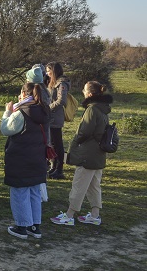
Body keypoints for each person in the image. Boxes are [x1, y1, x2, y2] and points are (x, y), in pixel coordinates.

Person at [51, 81, 113, 227]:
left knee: (79, 184)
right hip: (98, 154)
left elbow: (84, 131)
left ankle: (69, 215)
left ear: (90, 94)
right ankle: (95, 215)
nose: (83, 92)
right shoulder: (103, 109)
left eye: (84, 90)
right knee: (94, 185)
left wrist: (75, 141)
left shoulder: (92, 110)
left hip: (88, 154)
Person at [1, 82, 51, 239]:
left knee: (19, 191)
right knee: (34, 191)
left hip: (20, 158)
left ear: (24, 94)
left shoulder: (21, 113)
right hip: (38, 158)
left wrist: (7, 113)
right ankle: (35, 226)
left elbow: (5, 129)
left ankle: (21, 226)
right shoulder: (44, 111)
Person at [46, 62, 71, 179]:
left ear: (54, 71)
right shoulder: (53, 82)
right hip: (50, 117)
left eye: (48, 71)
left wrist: (48, 108)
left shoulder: (61, 84)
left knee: (57, 144)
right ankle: (54, 167)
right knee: (52, 143)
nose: (47, 73)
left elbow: (62, 101)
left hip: (55, 117)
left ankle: (59, 169)